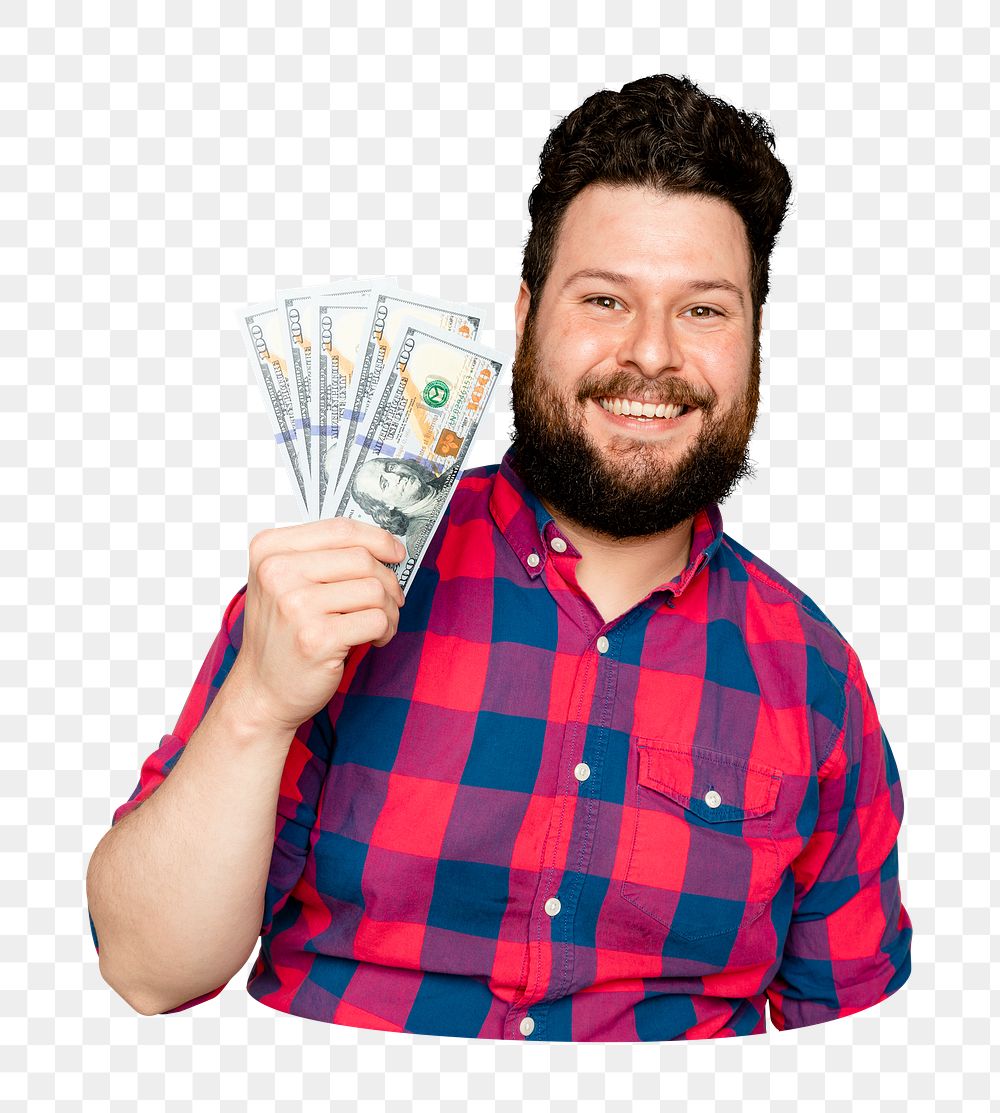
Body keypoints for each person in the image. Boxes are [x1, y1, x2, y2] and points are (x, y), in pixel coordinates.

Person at [86, 73, 912, 1041]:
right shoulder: (340, 587)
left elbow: (860, 1050)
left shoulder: (814, 676)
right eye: (604, 298)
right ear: (525, 317)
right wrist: (258, 708)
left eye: (702, 311)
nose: (651, 354)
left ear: (754, 339)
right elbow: (147, 971)